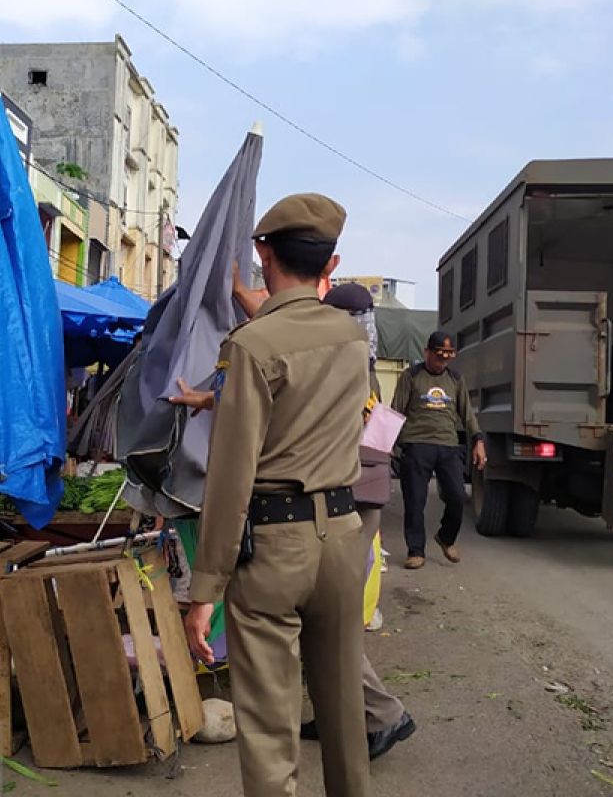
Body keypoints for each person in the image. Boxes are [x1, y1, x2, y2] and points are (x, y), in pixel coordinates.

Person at [181, 193, 373, 797]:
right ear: (331, 263)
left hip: (274, 546)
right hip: (343, 538)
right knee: (344, 710)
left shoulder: (253, 346)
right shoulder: (351, 338)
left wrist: (204, 589)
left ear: (263, 253)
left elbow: (231, 475)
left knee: (269, 728)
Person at [181, 279, 416, 761]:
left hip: (340, 501)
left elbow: (277, 393)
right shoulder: (350, 353)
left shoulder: (337, 353)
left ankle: (383, 714)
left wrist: (230, 283)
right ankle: (353, 716)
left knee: (329, 625)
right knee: (326, 620)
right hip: (351, 498)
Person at [391, 331, 486, 570]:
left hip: (447, 446)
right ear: (427, 353)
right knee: (415, 500)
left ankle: (446, 538)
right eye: (438, 356)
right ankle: (415, 551)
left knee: (455, 497)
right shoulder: (410, 376)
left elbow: (467, 413)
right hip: (416, 444)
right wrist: (386, 444)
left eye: (447, 357)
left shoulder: (455, 379)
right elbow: (395, 411)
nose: (442, 361)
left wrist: (478, 440)